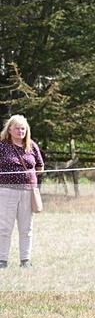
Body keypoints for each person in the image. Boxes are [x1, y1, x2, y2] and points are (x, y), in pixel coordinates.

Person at [0, 114, 44, 269]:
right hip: (6, 190)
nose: (21, 131)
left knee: (26, 227)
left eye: (23, 128)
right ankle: (2, 260)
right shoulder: (2, 145)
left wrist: (29, 176)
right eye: (17, 128)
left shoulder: (31, 145)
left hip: (27, 191)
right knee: (5, 227)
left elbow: (40, 166)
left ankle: (25, 260)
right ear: (10, 129)